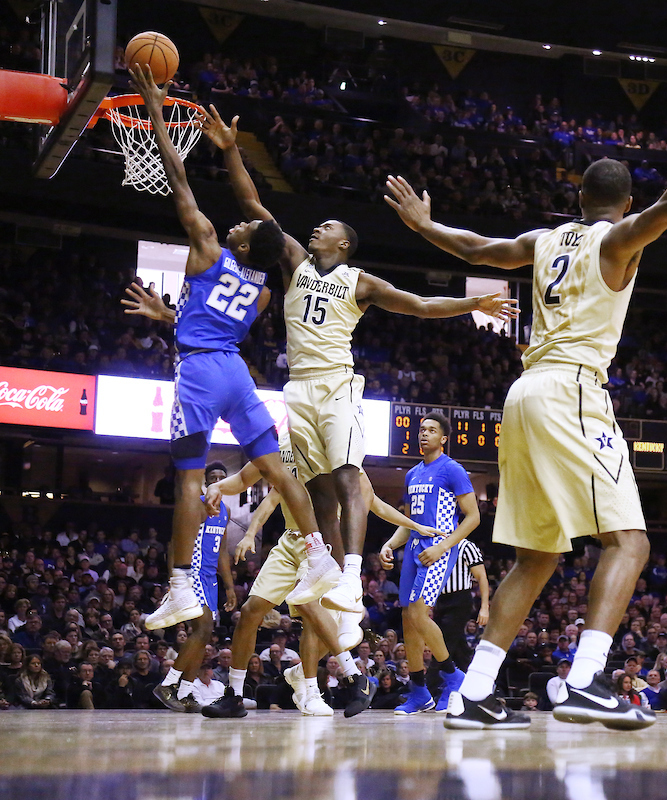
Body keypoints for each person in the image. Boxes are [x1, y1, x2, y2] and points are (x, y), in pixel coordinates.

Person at [386, 82, 667, 731]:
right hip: (570, 391)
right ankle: (588, 681)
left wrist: (424, 225)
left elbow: (478, 250)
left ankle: (474, 693)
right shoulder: (619, 240)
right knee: (631, 541)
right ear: (623, 204)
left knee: (537, 558)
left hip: (523, 395)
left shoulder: (545, 240)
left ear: (577, 199)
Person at [197, 105, 516, 620]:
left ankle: (350, 578)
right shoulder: (295, 260)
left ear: (342, 244)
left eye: (326, 227)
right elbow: (254, 204)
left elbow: (420, 305)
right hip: (297, 387)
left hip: (337, 385)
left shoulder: (361, 281)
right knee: (319, 486)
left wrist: (470, 305)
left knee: (348, 476)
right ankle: (324, 567)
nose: (316, 228)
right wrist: (231, 149)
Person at [122, 67, 338, 633]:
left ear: (240, 241)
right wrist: (169, 316)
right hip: (237, 374)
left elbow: (177, 178)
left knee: (190, 482)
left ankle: (178, 588)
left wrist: (154, 109)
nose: (239, 222)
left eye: (242, 225)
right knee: (274, 467)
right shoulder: (265, 290)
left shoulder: (208, 247)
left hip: (198, 373)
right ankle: (319, 554)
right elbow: (212, 321)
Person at [201, 427, 431, 719]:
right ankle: (234, 695)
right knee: (250, 611)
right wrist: (218, 488)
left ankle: (316, 689)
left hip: (323, 543)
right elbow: (246, 479)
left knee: (312, 613)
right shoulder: (279, 444)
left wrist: (413, 526)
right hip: (290, 540)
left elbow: (372, 502)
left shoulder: (338, 447)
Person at [380, 413, 480, 714]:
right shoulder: (412, 474)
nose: (424, 434)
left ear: (444, 438)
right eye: (422, 430)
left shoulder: (453, 470)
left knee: (420, 614)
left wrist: (443, 546)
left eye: (431, 430)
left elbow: (473, 517)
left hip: (438, 549)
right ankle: (419, 691)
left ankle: (453, 676)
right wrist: (390, 544)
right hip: (412, 549)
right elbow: (409, 522)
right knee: (409, 620)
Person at [155, 462, 236, 713]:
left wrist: (230, 587)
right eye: (213, 477)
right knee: (202, 630)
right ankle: (168, 684)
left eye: (222, 477)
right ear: (206, 480)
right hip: (193, 574)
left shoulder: (225, 510)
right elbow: (174, 544)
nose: (218, 481)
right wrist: (174, 581)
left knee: (203, 635)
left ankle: (185, 691)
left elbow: (222, 550)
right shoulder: (197, 505)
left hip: (211, 579)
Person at [433, 539, 489, 674]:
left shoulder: (466, 546)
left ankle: (429, 688)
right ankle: (471, 680)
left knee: (443, 644)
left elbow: (481, 576)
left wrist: (484, 607)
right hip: (439, 599)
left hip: (459, 599)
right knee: (459, 647)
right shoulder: (434, 545)